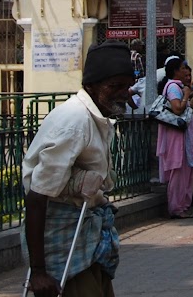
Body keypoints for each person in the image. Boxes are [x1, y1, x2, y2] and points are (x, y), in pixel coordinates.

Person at [21, 42, 135, 297]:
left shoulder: (97, 116)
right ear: (91, 86)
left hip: (87, 235)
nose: (123, 94)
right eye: (114, 87)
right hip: (64, 237)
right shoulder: (75, 122)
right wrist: (38, 272)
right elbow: (37, 197)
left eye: (126, 87)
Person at [153, 58, 193, 218]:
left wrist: (191, 95)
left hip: (183, 135)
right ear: (175, 71)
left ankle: (183, 205)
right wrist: (186, 95)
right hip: (176, 137)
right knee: (178, 172)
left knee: (187, 171)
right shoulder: (173, 87)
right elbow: (178, 109)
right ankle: (176, 208)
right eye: (182, 68)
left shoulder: (179, 87)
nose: (186, 71)